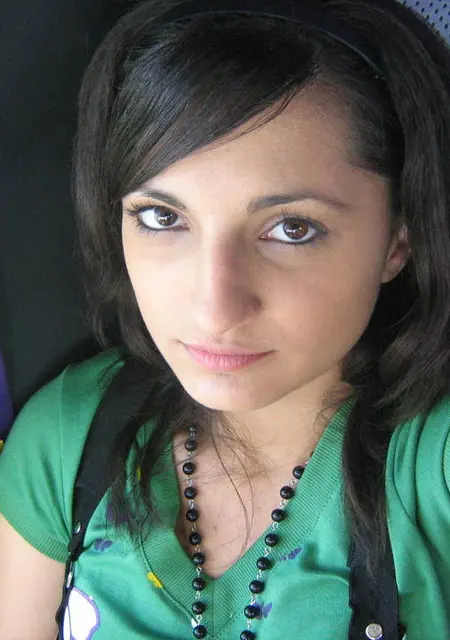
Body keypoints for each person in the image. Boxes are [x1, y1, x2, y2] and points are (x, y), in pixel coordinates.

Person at [1, 0, 450, 638]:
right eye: (162, 217)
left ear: (398, 239)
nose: (214, 308)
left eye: (291, 229)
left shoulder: (431, 470)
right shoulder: (67, 440)